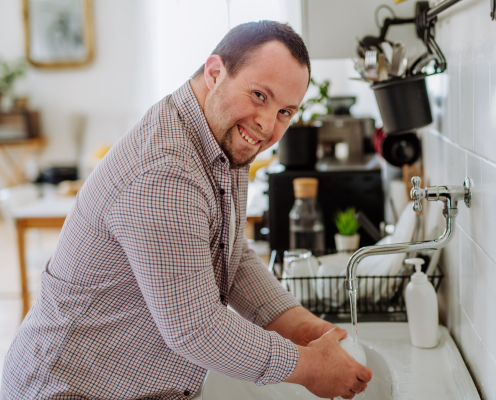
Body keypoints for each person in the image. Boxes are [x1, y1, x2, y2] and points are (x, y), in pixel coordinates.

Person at [1, 21, 371, 400]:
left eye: (285, 112)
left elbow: (230, 251)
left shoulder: (219, 138)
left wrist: (299, 325)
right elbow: (197, 329)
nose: (266, 125)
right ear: (214, 73)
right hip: (66, 391)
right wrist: (309, 367)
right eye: (260, 95)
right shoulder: (166, 171)